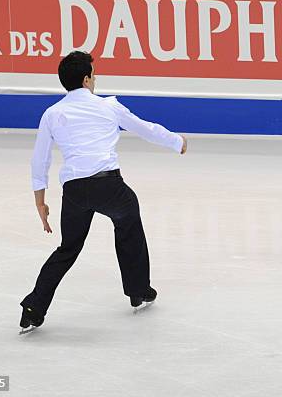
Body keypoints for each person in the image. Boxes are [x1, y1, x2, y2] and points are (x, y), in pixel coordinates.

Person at [19, 51, 187, 333]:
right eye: (94, 75)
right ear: (86, 80)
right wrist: (176, 141)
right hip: (109, 186)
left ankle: (33, 308)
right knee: (128, 223)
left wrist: (40, 201)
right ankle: (138, 291)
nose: (95, 79)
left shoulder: (52, 113)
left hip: (73, 190)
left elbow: (40, 159)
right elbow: (145, 129)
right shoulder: (109, 107)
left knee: (68, 248)